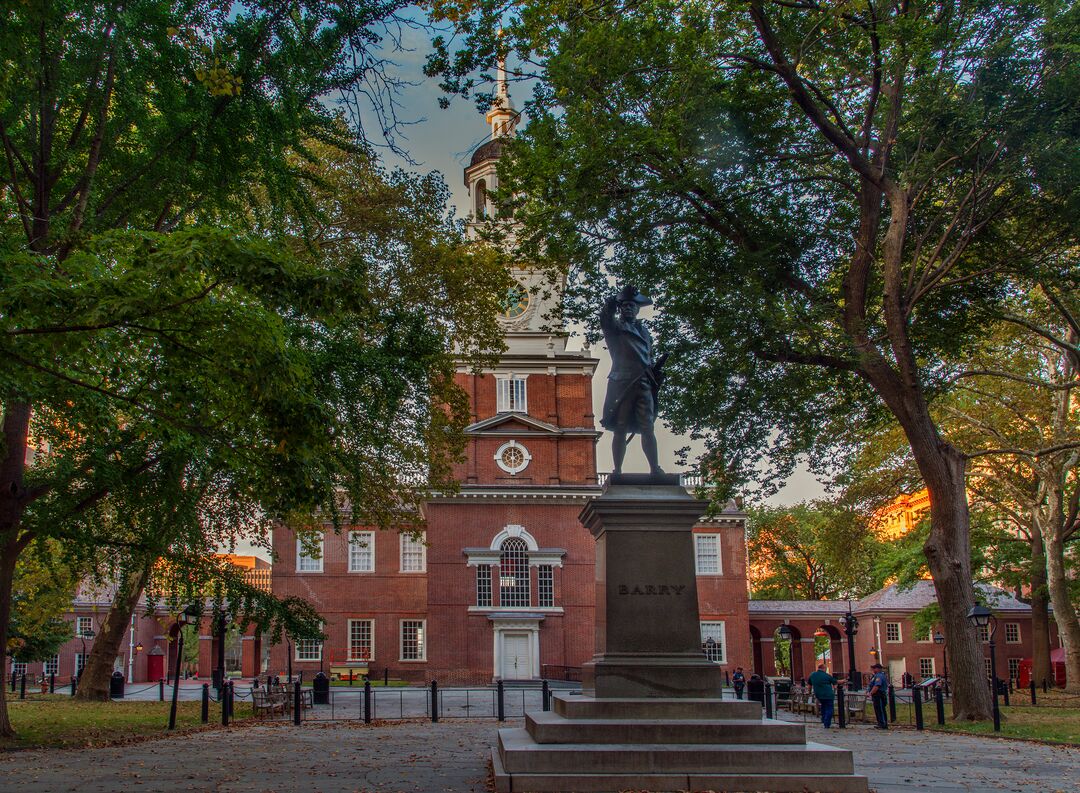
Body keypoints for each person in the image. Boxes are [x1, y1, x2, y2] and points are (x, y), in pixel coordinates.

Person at [599, 285, 667, 475]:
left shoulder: (644, 332)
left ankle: (655, 469)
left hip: (644, 381)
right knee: (620, 427)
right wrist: (613, 301)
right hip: (623, 382)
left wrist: (655, 373)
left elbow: (647, 358)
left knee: (648, 427)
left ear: (637, 309)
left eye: (632, 306)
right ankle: (618, 470)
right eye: (625, 305)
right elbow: (605, 317)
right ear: (620, 308)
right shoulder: (615, 328)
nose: (628, 308)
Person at [808, 663, 839, 728]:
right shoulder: (827, 675)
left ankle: (823, 719)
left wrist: (809, 692)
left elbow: (809, 685)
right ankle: (826, 723)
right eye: (826, 668)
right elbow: (835, 682)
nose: (826, 670)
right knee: (829, 708)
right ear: (823, 668)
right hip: (828, 694)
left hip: (819, 695)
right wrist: (843, 681)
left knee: (823, 706)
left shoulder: (812, 675)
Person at [868, 663, 889, 729]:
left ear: (878, 669)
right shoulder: (876, 676)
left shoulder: (879, 676)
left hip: (879, 695)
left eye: (874, 668)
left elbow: (877, 686)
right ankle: (880, 723)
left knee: (880, 710)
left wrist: (870, 693)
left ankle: (883, 724)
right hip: (877, 695)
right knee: (878, 709)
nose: (873, 669)